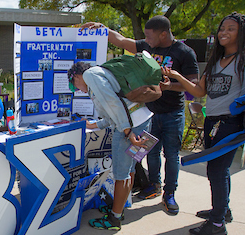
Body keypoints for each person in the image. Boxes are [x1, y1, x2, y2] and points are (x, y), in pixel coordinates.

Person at [159, 12, 245, 235]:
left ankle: (217, 222)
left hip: (233, 121)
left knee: (217, 169)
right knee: (219, 168)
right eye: (222, 28)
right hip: (213, 121)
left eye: (230, 29)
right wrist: (175, 76)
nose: (224, 32)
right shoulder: (217, 60)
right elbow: (199, 91)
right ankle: (223, 210)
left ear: (242, 32)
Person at [82, 16, 199, 215]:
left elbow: (193, 86)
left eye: (148, 35)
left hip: (171, 114)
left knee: (171, 155)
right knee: (149, 154)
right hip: (147, 115)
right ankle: (154, 186)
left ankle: (169, 193)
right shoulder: (147, 46)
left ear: (163, 34)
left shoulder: (184, 52)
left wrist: (171, 85)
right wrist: (103, 28)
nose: (145, 39)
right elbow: (120, 40)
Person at [67, 60, 157, 230]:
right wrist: (94, 125)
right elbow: (110, 114)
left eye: (74, 84)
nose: (77, 89)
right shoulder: (100, 75)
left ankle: (114, 219)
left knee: (120, 174)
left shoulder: (90, 75)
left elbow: (114, 104)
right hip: (142, 120)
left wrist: (127, 132)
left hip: (130, 127)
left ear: (77, 75)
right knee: (129, 170)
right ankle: (119, 209)